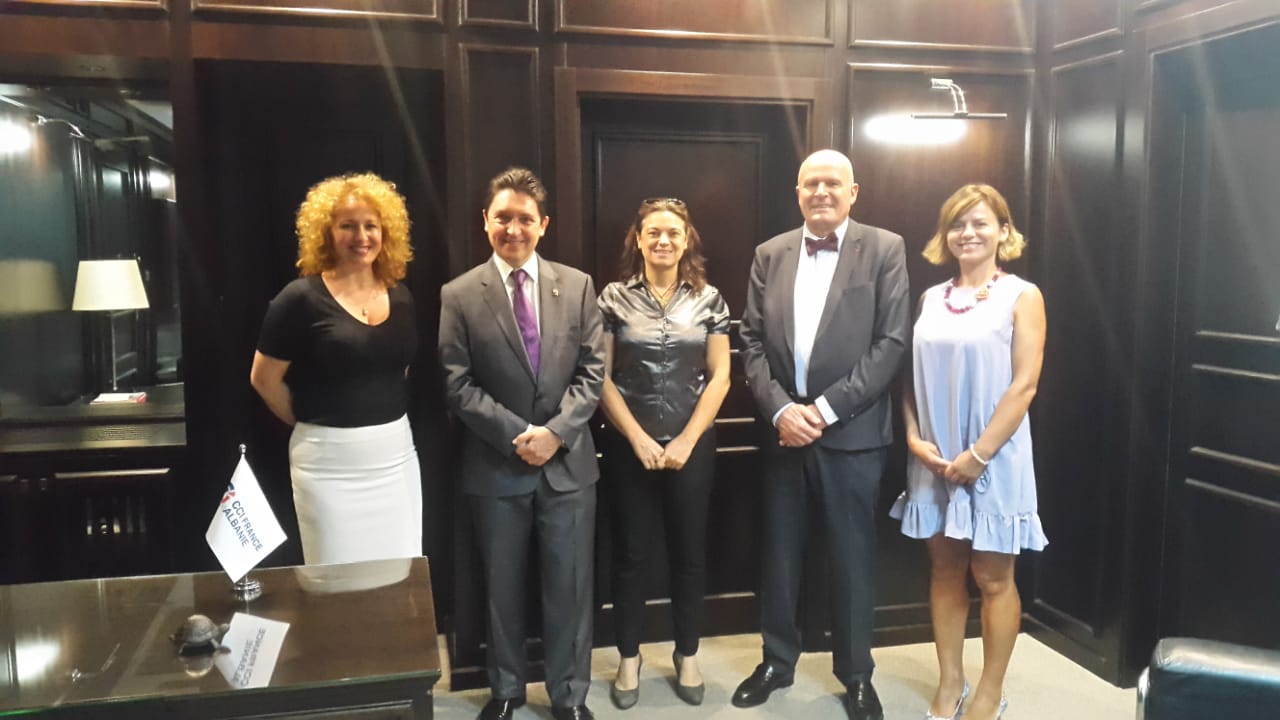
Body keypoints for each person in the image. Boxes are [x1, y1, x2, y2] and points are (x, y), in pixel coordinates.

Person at [736, 149, 910, 720]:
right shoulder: (770, 253)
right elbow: (750, 341)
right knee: (779, 555)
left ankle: (856, 675)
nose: (821, 192)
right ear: (798, 192)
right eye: (811, 183)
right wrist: (783, 411)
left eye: (833, 183)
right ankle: (775, 661)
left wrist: (826, 411)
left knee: (853, 559)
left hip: (853, 435)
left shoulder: (884, 248)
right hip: (783, 434)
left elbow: (891, 342)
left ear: (852, 192)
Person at [438, 167, 605, 720]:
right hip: (495, 466)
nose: (514, 229)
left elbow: (593, 371)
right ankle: (506, 691)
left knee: (570, 589)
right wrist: (519, 438)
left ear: (544, 224)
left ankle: (569, 696)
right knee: (500, 589)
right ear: (485, 221)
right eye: (503, 218)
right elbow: (457, 383)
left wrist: (555, 434)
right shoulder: (460, 294)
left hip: (568, 467)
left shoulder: (577, 286)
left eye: (525, 219)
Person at [889, 184, 1047, 720]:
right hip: (933, 458)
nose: (968, 233)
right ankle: (951, 681)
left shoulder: (1023, 296)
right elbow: (910, 377)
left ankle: (989, 691)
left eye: (980, 222)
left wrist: (977, 456)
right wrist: (913, 437)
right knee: (945, 571)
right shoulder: (931, 298)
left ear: (1004, 230)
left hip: (992, 458)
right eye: (957, 224)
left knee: (994, 578)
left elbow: (1024, 385)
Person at [597, 198, 731, 710]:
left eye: (673, 232)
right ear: (638, 239)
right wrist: (637, 438)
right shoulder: (613, 298)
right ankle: (628, 658)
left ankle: (687, 654)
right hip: (627, 445)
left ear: (686, 239)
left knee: (689, 555)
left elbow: (720, 377)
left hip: (691, 445)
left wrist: (686, 440)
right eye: (653, 232)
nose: (663, 241)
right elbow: (601, 377)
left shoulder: (709, 300)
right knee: (630, 556)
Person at [249, 172, 421, 566]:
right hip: (327, 469)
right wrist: (316, 422)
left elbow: (398, 370)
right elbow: (263, 379)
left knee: (398, 577)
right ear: (326, 233)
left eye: (370, 225)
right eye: (347, 226)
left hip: (396, 459)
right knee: (337, 582)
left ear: (386, 232)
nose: (361, 236)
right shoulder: (298, 299)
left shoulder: (402, 297)